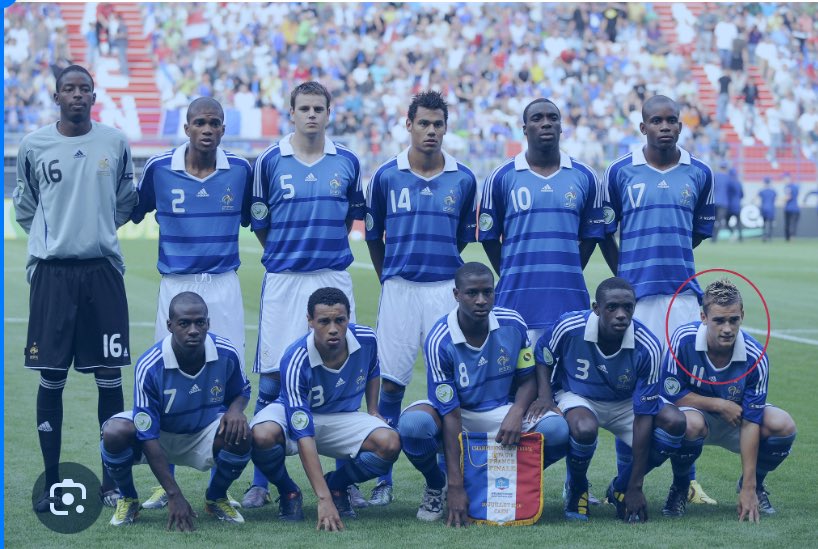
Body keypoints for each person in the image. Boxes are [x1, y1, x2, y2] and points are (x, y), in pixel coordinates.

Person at [13, 64, 137, 512]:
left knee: (109, 377)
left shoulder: (115, 142)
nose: (78, 95)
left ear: (94, 94)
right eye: (69, 89)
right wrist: (56, 239)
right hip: (52, 275)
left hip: (102, 271)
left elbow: (125, 202)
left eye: (85, 88)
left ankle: (112, 481)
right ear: (56, 95)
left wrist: (95, 231)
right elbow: (25, 206)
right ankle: (50, 481)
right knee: (52, 377)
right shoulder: (34, 145)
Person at [129, 96, 253, 509]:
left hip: (222, 285)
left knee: (227, 376)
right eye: (199, 122)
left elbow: (260, 218)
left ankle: (220, 489)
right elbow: (131, 210)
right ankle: (164, 484)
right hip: (176, 287)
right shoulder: (160, 169)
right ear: (186, 127)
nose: (206, 129)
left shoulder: (241, 171)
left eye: (214, 123)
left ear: (222, 129)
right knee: (168, 380)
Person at [246, 81, 364, 510]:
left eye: (319, 108)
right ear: (291, 113)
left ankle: (344, 481)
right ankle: (261, 480)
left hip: (332, 275)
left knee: (339, 376)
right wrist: (283, 254)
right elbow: (260, 222)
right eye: (304, 108)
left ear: (330, 113)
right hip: (284, 278)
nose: (312, 115)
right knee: (274, 377)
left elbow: (353, 218)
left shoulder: (347, 162)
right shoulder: (268, 162)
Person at [599, 95, 717, 506]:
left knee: (684, 389)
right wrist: (624, 279)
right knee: (631, 392)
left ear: (680, 126)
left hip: (683, 298)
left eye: (672, 120)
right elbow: (604, 231)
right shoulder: (619, 172)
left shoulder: (699, 172)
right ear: (643, 127)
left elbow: (699, 230)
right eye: (656, 120)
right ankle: (622, 483)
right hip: (636, 304)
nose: (665, 126)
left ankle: (685, 484)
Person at [365, 90, 478, 505]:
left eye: (438, 124)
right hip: (399, 288)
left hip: (443, 291)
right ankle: (383, 476)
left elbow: (465, 239)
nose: (431, 131)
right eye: (423, 123)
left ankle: (453, 478)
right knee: (389, 383)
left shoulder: (464, 178)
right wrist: (390, 278)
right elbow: (374, 238)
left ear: (446, 128)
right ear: (408, 124)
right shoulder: (385, 175)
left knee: (447, 384)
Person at [398, 263, 569, 525]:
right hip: (458, 413)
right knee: (413, 425)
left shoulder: (513, 323)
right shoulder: (439, 339)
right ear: (456, 294)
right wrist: (455, 485)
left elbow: (527, 380)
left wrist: (516, 412)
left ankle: (504, 477)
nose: (481, 300)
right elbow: (450, 413)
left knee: (558, 430)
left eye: (487, 292)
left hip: (502, 410)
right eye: (472, 293)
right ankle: (437, 484)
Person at [527, 277, 686, 522]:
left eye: (628, 307)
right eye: (612, 307)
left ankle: (621, 488)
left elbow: (644, 415)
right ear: (596, 308)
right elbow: (543, 355)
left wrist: (636, 486)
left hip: (626, 402)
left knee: (675, 422)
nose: (621, 314)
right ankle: (577, 487)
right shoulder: (570, 326)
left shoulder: (649, 345)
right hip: (578, 395)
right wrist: (546, 397)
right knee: (584, 428)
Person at [249, 288, 400, 529]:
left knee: (389, 442)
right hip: (293, 415)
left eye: (339, 320)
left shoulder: (366, 338)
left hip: (341, 416)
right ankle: (288, 491)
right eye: (324, 321)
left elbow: (373, 368)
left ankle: (337, 483)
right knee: (261, 435)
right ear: (309, 321)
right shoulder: (295, 358)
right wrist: (323, 500)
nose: (333, 328)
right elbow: (303, 433)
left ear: (348, 319)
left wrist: (373, 409)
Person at [100, 292, 251, 528]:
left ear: (208, 323)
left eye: (199, 322)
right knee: (114, 431)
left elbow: (242, 390)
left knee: (242, 432)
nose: (193, 330)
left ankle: (216, 497)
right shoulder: (150, 365)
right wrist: (174, 494)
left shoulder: (225, 352)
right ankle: (128, 498)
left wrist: (235, 410)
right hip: (160, 435)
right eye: (184, 323)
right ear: (170, 325)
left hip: (202, 433)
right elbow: (147, 434)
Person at [660, 279, 796, 521]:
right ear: (703, 316)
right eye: (719, 320)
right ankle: (681, 487)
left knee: (783, 425)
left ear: (742, 315)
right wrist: (719, 404)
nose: (727, 328)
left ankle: (755, 486)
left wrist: (749, 487)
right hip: (696, 418)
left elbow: (752, 420)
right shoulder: (682, 339)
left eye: (733, 320)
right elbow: (671, 394)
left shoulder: (756, 356)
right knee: (688, 423)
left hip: (738, 422)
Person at [477, 98, 607, 345]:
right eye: (537, 118)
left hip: (569, 303)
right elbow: (489, 237)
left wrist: (568, 269)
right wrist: (509, 271)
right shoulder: (501, 177)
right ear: (524, 129)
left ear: (561, 127)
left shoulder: (585, 176)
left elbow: (591, 235)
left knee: (563, 383)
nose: (546, 123)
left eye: (552, 118)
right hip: (515, 303)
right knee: (518, 382)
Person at [712, 161, 730, 243]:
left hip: (714, 201)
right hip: (723, 202)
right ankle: (714, 238)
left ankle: (712, 237)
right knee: (719, 221)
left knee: (713, 220)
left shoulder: (715, 176)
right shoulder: (728, 178)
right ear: (726, 168)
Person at [726, 168, 744, 242]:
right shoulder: (739, 183)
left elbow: (726, 194)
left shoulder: (728, 182)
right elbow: (742, 195)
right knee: (738, 222)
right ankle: (741, 238)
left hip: (730, 205)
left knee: (726, 221)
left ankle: (732, 232)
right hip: (737, 205)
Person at [757, 177, 776, 242]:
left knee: (764, 224)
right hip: (771, 209)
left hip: (764, 208)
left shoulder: (762, 191)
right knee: (770, 224)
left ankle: (764, 236)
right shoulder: (773, 191)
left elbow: (756, 197)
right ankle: (769, 237)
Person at [783, 173, 800, 241]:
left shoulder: (788, 187)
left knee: (790, 224)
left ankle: (790, 237)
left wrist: (779, 199)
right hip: (793, 208)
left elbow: (788, 197)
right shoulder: (795, 187)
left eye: (785, 179)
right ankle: (790, 237)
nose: (784, 180)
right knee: (791, 224)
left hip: (790, 208)